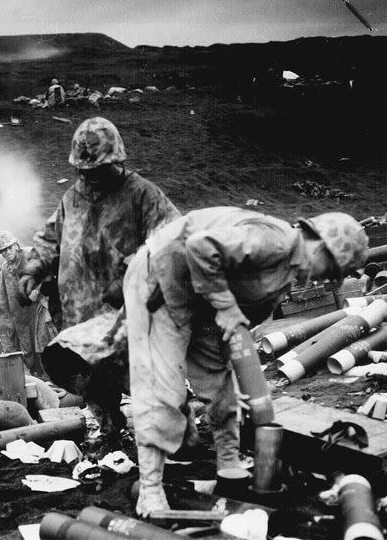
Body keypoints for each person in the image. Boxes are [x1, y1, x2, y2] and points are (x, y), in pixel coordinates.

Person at [123, 207, 369, 516]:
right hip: (159, 280)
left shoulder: (286, 273)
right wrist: (226, 309)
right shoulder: (274, 241)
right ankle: (150, 489)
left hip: (200, 296)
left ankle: (229, 469)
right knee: (163, 386)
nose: (327, 279)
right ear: (321, 247)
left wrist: (234, 362)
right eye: (332, 270)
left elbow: (238, 315)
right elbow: (200, 246)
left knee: (224, 391)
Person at [19, 116, 180, 330]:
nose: (91, 176)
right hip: (75, 325)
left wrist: (128, 279)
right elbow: (50, 240)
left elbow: (172, 242)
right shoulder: (73, 198)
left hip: (126, 327)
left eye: (99, 169)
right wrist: (33, 270)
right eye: (85, 170)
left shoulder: (142, 195)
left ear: (116, 160)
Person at [0, 230, 57, 375]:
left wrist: (37, 291)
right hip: (21, 314)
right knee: (27, 350)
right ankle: (35, 375)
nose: (7, 253)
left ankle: (52, 377)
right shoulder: (6, 269)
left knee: (44, 342)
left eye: (8, 248)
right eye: (2, 251)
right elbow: (5, 293)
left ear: (15, 245)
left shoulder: (30, 255)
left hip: (40, 307)